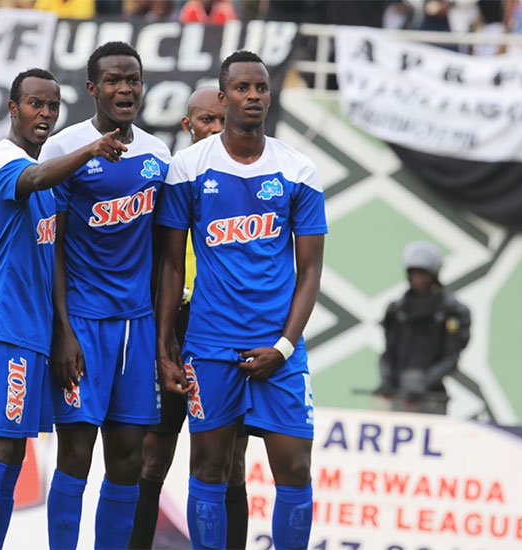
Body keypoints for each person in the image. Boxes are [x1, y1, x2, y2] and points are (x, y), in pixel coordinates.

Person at [155, 51, 327, 550]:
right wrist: (165, 348)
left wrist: (285, 346)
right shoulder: (188, 168)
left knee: (294, 468)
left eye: (261, 88)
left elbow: (310, 271)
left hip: (279, 350)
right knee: (209, 468)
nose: (253, 96)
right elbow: (170, 266)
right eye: (242, 88)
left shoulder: (298, 170)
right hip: (209, 347)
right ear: (224, 95)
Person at [0, 68, 128, 549]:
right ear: (14, 108)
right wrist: (89, 150)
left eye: (53, 106)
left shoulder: (47, 182)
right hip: (3, 324)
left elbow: (50, 254)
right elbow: (32, 177)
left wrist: (60, 330)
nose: (46, 114)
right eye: (36, 104)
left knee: (12, 456)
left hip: (32, 331)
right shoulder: (4, 160)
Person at [40, 41, 171, 550]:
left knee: (128, 461)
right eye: (114, 80)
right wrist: (62, 330)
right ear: (93, 89)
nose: (125, 89)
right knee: (76, 455)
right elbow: (51, 246)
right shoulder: (65, 149)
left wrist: (162, 342)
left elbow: (164, 253)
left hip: (136, 328)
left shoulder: (158, 155)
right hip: (82, 324)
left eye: (133, 79)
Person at [129, 86, 249, 550]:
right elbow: (150, 256)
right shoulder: (171, 178)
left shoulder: (253, 180)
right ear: (188, 126)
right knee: (152, 456)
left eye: (223, 120)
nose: (216, 129)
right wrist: (162, 338)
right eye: (206, 121)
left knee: (230, 462)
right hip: (173, 326)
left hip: (227, 329)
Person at [374, 241, 472, 415]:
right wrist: (386, 382)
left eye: (424, 274)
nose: (419, 279)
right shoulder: (397, 310)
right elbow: (388, 354)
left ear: (433, 275)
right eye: (415, 274)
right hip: (399, 397)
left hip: (432, 399)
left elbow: (451, 358)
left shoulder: (451, 311)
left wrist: (423, 384)